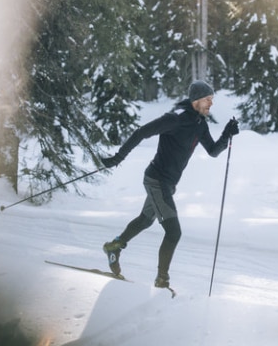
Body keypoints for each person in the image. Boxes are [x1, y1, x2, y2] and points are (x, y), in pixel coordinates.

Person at [100, 80, 239, 288]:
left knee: (145, 220)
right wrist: (118, 158)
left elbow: (212, 151)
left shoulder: (200, 123)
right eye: (208, 99)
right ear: (197, 100)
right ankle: (162, 280)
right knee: (174, 232)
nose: (211, 104)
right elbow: (141, 133)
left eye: (212, 100)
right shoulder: (176, 118)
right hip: (156, 180)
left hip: (167, 184)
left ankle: (114, 246)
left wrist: (227, 133)